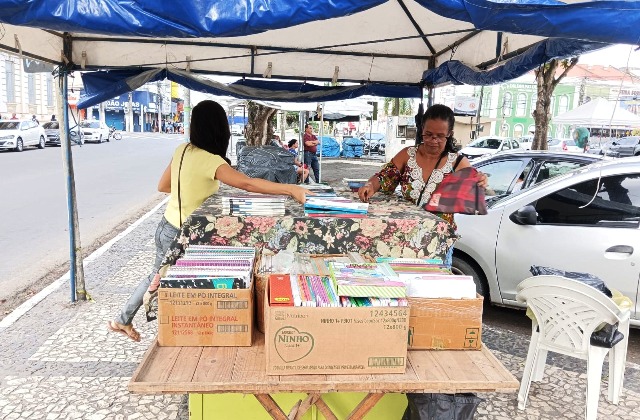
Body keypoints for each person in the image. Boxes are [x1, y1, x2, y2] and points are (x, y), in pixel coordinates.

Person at [107, 100, 311, 342]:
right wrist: (290, 189)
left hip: (166, 225)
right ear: (219, 129)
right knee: (162, 277)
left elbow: (163, 186)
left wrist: (192, 184)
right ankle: (129, 321)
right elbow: (247, 183)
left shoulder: (182, 150)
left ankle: (125, 320)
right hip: (183, 234)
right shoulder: (211, 161)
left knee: (157, 274)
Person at [358, 104, 488, 267]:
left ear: (449, 134)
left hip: (437, 242)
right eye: (428, 134)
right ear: (421, 131)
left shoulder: (458, 163)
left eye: (440, 136)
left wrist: (480, 181)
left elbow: (475, 191)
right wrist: (370, 185)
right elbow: (383, 178)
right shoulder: (407, 155)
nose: (433, 141)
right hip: (403, 240)